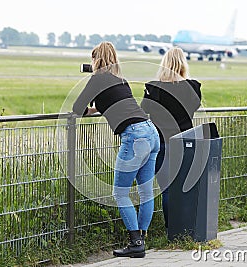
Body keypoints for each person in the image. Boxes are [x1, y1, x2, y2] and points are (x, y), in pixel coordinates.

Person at [72, 42, 160, 258]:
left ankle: (135, 243)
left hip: (134, 136)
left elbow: (77, 109)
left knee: (120, 193)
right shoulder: (121, 80)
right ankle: (141, 238)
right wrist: (96, 108)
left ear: (96, 60)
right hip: (151, 131)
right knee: (145, 191)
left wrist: (89, 101)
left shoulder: (97, 78)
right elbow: (113, 103)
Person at [141, 47, 202, 231]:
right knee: (184, 187)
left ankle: (172, 229)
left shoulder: (153, 87)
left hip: (161, 143)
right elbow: (195, 106)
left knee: (167, 189)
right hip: (186, 141)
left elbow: (144, 109)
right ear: (183, 63)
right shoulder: (193, 87)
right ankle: (187, 228)